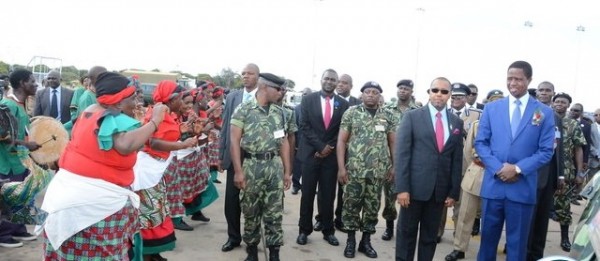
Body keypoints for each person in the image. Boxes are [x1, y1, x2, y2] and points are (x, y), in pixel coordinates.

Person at [40, 71, 169, 260]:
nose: (137, 103)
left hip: (68, 198)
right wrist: (155, 120)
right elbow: (125, 145)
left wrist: (141, 124)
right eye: (133, 98)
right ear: (117, 102)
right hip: (91, 207)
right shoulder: (108, 118)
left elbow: (132, 142)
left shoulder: (92, 110)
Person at [475, 61, 555, 261]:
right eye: (509, 78)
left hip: (522, 188)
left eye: (518, 79)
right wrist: (499, 168)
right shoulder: (492, 108)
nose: (513, 83)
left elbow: (546, 151)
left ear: (529, 80)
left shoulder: (544, 112)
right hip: (493, 186)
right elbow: (481, 143)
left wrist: (518, 169)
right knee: (487, 243)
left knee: (517, 246)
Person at [395, 77, 463, 261]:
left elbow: (456, 160)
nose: (439, 94)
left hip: (439, 193)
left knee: (429, 237)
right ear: (429, 92)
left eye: (444, 91)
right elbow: (402, 155)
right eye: (435, 90)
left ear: (449, 95)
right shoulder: (412, 117)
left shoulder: (456, 122)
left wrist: (453, 192)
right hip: (413, 190)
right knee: (406, 235)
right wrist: (402, 188)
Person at [230, 73, 292, 261]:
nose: (281, 93)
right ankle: (251, 251)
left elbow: (283, 142)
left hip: (274, 166)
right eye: (278, 89)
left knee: (275, 212)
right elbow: (234, 140)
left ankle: (274, 252)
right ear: (265, 87)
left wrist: (288, 171)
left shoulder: (280, 112)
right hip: (251, 166)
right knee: (251, 211)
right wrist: (238, 171)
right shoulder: (244, 109)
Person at [133, 80, 197, 261]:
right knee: (149, 213)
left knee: (156, 211)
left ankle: (153, 253)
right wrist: (182, 144)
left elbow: (167, 137)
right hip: (148, 171)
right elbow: (152, 142)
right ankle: (146, 254)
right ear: (173, 98)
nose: (183, 103)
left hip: (157, 170)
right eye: (181, 99)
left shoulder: (169, 113)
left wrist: (184, 135)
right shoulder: (157, 113)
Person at [337, 81, 396, 258]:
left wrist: (394, 166)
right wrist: (341, 168)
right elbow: (341, 141)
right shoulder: (352, 113)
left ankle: (366, 242)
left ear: (379, 96)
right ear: (362, 95)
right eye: (367, 92)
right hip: (354, 170)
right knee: (351, 206)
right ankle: (351, 241)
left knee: (372, 207)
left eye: (375, 92)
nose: (371, 94)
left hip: (378, 172)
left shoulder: (387, 115)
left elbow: (393, 142)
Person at [445, 89, 504, 261]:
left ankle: (487, 251)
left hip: (497, 177)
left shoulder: (509, 128)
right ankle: (459, 248)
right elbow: (468, 150)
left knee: (492, 218)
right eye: (492, 102)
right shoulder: (478, 125)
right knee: (465, 215)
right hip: (476, 173)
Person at [297, 69, 349, 247]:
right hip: (311, 155)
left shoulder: (343, 104)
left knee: (328, 196)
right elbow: (304, 125)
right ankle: (304, 230)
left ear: (337, 83)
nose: (329, 81)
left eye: (333, 79)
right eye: (326, 78)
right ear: (321, 80)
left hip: (331, 158)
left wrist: (329, 148)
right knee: (308, 195)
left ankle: (328, 231)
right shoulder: (308, 100)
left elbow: (343, 130)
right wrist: (320, 147)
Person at [219, 63, 260, 252]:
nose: (245, 76)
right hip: (234, 158)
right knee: (232, 202)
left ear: (258, 77)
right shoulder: (233, 97)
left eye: (250, 73)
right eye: (243, 73)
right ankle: (233, 237)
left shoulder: (264, 97)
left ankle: (253, 239)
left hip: (256, 159)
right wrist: (221, 154)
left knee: (255, 201)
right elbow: (225, 126)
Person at [0, 69, 41, 248]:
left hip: (19, 162)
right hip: (7, 164)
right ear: (23, 83)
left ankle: (18, 229)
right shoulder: (7, 105)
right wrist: (27, 145)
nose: (36, 84)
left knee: (21, 198)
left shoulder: (20, 104)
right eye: (32, 81)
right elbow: (2, 135)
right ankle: (4, 234)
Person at [526, 82, 565, 261]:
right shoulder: (535, 112)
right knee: (529, 219)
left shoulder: (555, 116)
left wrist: (561, 174)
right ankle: (523, 254)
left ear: (553, 94)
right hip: (533, 172)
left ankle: (536, 255)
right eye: (541, 90)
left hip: (550, 175)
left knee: (542, 219)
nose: (544, 93)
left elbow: (560, 148)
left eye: (547, 90)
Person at [380, 79, 418, 242]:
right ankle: (389, 227)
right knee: (390, 196)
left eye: (406, 89)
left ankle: (405, 229)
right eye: (400, 88)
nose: (403, 91)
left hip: (412, 161)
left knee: (409, 196)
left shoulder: (418, 111)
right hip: (391, 160)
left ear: (411, 92)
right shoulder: (386, 110)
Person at [551, 92, 586, 252]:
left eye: (563, 102)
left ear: (568, 105)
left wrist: (579, 173)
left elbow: (578, 149)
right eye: (557, 101)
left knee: (563, 208)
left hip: (565, 172)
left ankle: (564, 239)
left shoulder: (573, 124)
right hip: (545, 171)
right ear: (553, 103)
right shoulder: (545, 119)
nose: (559, 104)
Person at [291, 87, 313, 195]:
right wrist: (295, 144)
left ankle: (307, 187)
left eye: (308, 94)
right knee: (297, 166)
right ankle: (295, 186)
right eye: (304, 94)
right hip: (299, 144)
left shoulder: (314, 109)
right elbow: (294, 128)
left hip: (311, 145)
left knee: (309, 168)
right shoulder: (296, 109)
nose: (305, 96)